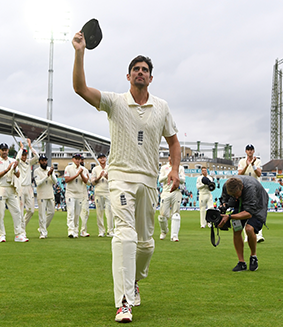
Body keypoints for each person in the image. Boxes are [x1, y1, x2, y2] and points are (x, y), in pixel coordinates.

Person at [73, 32, 181, 323]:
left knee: (146, 244)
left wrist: (174, 169)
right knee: (124, 234)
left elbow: (173, 142)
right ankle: (123, 302)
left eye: (145, 70)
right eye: (136, 69)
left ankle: (134, 282)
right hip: (120, 177)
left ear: (151, 77)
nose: (140, 73)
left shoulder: (162, 106)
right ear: (128, 75)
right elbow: (80, 88)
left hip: (148, 179)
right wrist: (80, 52)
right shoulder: (115, 102)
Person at [217, 176, 269, 272]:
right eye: (233, 195)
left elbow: (249, 213)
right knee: (236, 229)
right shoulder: (226, 186)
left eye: (236, 194)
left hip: (257, 205)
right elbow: (224, 199)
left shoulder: (250, 188)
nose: (235, 197)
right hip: (240, 204)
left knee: (249, 229)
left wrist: (229, 217)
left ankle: (253, 256)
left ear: (241, 188)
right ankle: (241, 262)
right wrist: (223, 206)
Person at [0, 143, 27, 242]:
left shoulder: (12, 160)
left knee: (17, 212)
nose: (4, 151)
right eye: (3, 150)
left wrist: (15, 168)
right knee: (1, 213)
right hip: (1, 188)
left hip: (11, 188)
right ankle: (2, 235)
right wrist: (7, 169)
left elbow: (18, 174)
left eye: (6, 149)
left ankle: (18, 235)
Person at [237, 144, 265, 243]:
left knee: (257, 212)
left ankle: (259, 235)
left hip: (256, 189)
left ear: (253, 151)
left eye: (251, 150)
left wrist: (253, 165)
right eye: (248, 150)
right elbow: (240, 173)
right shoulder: (241, 161)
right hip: (245, 189)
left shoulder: (258, 161)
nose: (250, 151)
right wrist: (247, 165)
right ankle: (247, 236)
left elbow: (259, 174)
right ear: (246, 151)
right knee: (245, 212)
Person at [157, 156, 185, 242]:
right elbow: (160, 180)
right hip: (166, 192)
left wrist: (176, 174)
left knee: (176, 214)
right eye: (170, 156)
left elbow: (183, 180)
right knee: (162, 216)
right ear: (169, 158)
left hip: (176, 191)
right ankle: (164, 231)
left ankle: (174, 236)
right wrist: (169, 175)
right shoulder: (164, 168)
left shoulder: (180, 168)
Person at [63, 153, 88, 238]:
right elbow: (66, 180)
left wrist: (81, 174)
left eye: (79, 159)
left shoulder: (83, 169)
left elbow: (86, 181)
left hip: (79, 193)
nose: (77, 160)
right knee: (71, 212)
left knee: (77, 213)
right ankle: (70, 231)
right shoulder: (68, 168)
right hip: (70, 193)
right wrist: (77, 175)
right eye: (76, 158)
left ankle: (76, 231)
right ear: (73, 159)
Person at [16, 139, 39, 229]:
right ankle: (21, 230)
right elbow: (17, 158)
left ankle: (23, 227)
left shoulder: (29, 162)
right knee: (21, 211)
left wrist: (30, 147)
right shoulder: (18, 163)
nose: (24, 157)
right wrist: (21, 148)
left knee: (31, 210)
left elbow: (37, 157)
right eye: (23, 155)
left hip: (29, 188)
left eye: (25, 155)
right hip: (21, 188)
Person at [34, 154, 57, 239]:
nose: (44, 162)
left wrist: (51, 174)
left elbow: (55, 182)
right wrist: (47, 175)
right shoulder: (37, 171)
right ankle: (43, 233)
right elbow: (38, 183)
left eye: (45, 160)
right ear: (39, 162)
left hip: (50, 194)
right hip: (42, 195)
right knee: (42, 215)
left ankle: (42, 228)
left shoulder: (49, 169)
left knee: (51, 213)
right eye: (42, 161)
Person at [91, 153, 114, 237]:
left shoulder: (110, 168)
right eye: (100, 158)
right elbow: (93, 182)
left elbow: (113, 180)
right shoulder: (95, 169)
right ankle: (101, 231)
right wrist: (99, 177)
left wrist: (107, 176)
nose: (102, 159)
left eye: (103, 157)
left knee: (110, 212)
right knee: (99, 212)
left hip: (108, 192)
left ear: (106, 158)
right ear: (98, 160)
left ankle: (110, 231)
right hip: (98, 192)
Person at [78, 156, 92, 237]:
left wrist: (83, 175)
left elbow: (89, 183)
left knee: (85, 212)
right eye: (80, 160)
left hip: (84, 194)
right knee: (74, 214)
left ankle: (83, 230)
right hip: (74, 194)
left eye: (82, 160)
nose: (81, 161)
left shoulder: (86, 170)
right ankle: (74, 231)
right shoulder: (70, 169)